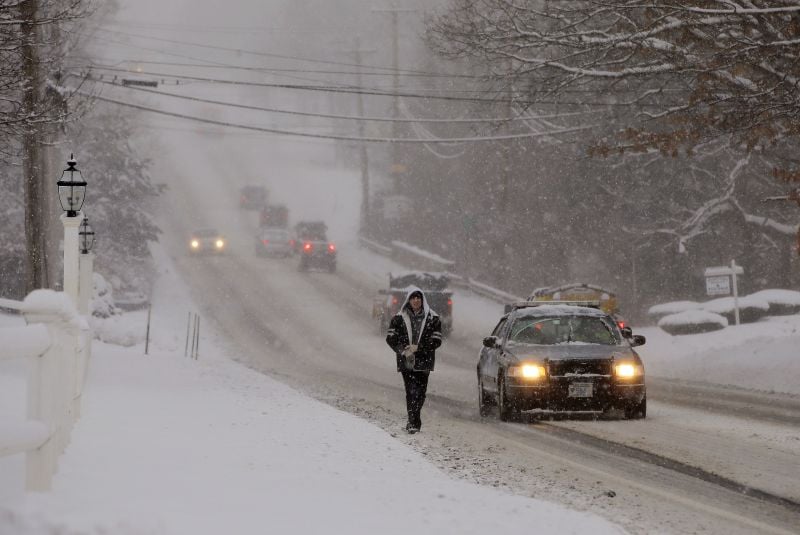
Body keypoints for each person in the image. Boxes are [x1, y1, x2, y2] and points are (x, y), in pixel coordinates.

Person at [385, 286, 443, 434]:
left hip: (424, 361)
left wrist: (419, 347)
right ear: (408, 300)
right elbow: (391, 338)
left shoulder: (433, 318)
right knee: (411, 391)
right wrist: (404, 350)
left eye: (418, 298)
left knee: (421, 392)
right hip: (406, 361)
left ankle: (414, 419)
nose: (416, 300)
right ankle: (413, 422)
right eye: (413, 298)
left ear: (422, 300)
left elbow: (437, 340)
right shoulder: (398, 318)